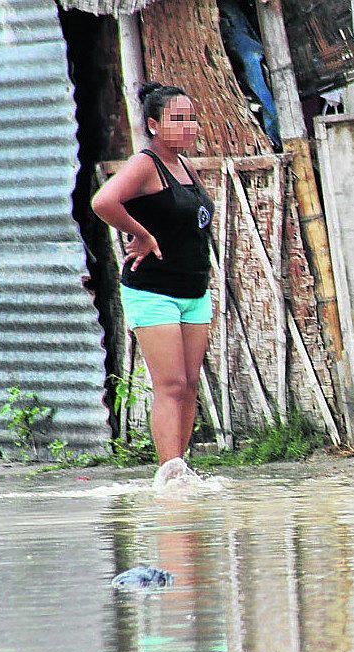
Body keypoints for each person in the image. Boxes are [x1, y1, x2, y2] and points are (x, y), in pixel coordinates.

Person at [92, 82, 215, 483]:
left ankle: (181, 468)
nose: (188, 126)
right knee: (171, 383)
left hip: (193, 289)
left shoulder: (184, 165)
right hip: (153, 290)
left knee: (190, 384)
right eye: (178, 120)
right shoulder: (146, 164)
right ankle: (167, 473)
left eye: (191, 119)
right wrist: (141, 233)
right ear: (154, 125)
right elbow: (103, 202)